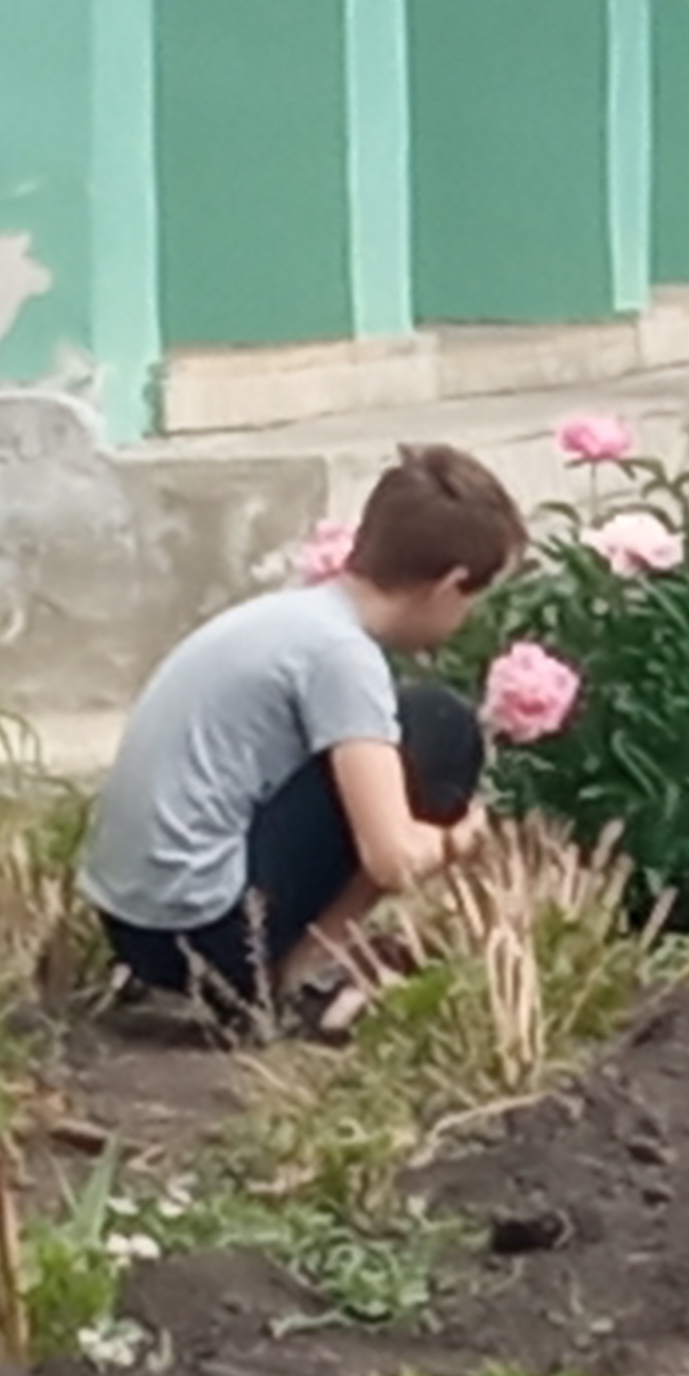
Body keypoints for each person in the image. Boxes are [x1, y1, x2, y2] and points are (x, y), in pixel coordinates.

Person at [79, 444, 525, 1036]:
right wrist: (456, 841)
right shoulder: (342, 656)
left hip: (132, 924)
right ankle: (304, 974)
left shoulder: (290, 617)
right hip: (208, 938)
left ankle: (262, 969)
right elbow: (390, 859)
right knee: (441, 727)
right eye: (473, 600)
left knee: (404, 722)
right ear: (450, 584)